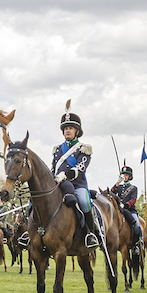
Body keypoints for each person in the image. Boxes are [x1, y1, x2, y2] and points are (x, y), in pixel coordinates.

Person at [51, 104, 99, 250]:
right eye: (65, 128)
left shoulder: (84, 148)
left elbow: (81, 167)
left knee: (84, 202)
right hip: (57, 185)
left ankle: (91, 234)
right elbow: (53, 168)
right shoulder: (57, 149)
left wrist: (64, 175)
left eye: (70, 128)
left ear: (77, 131)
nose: (67, 130)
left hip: (77, 185)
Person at [111, 165, 142, 254]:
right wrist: (117, 182)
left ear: (130, 176)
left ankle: (135, 245)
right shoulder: (119, 187)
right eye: (123, 174)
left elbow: (133, 199)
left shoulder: (133, 188)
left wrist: (125, 205)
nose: (124, 176)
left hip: (130, 210)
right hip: (119, 210)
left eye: (126, 174)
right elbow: (112, 192)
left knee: (136, 226)